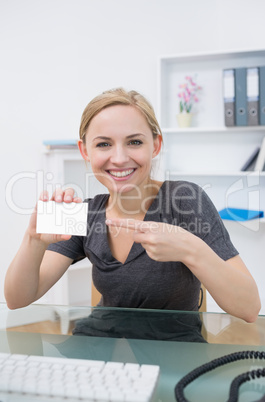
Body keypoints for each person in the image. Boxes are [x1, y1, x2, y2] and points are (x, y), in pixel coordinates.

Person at [5, 88, 261, 323]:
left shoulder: (185, 201)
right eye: (104, 144)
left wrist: (190, 250)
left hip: (174, 353)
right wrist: (34, 241)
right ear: (85, 151)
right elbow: (18, 300)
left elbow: (249, 308)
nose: (119, 158)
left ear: (156, 145)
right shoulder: (84, 214)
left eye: (135, 142)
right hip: (100, 351)